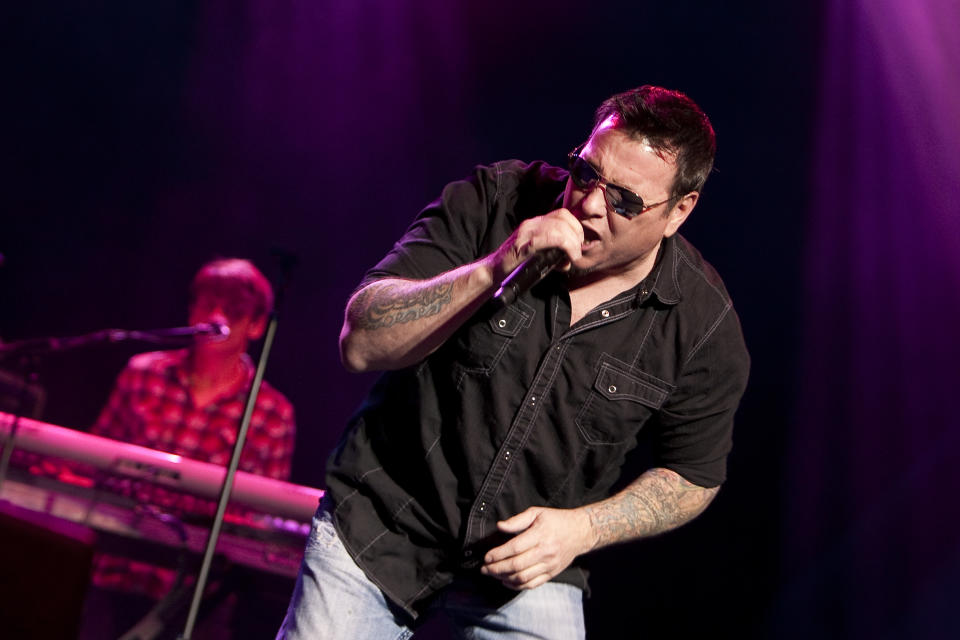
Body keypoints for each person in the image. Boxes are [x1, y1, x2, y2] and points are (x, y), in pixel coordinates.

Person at [277, 85, 749, 639]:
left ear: (678, 212)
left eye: (625, 200)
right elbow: (360, 340)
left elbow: (693, 475)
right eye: (587, 173)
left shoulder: (700, 324)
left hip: (527, 572)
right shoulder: (495, 199)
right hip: (380, 521)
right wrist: (495, 267)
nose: (591, 204)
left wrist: (583, 529)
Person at [80, 258, 296, 639]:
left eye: (232, 311)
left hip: (198, 601)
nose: (215, 316)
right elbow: (92, 465)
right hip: (113, 574)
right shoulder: (142, 373)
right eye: (207, 303)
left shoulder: (271, 414)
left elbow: (263, 522)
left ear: (257, 325)